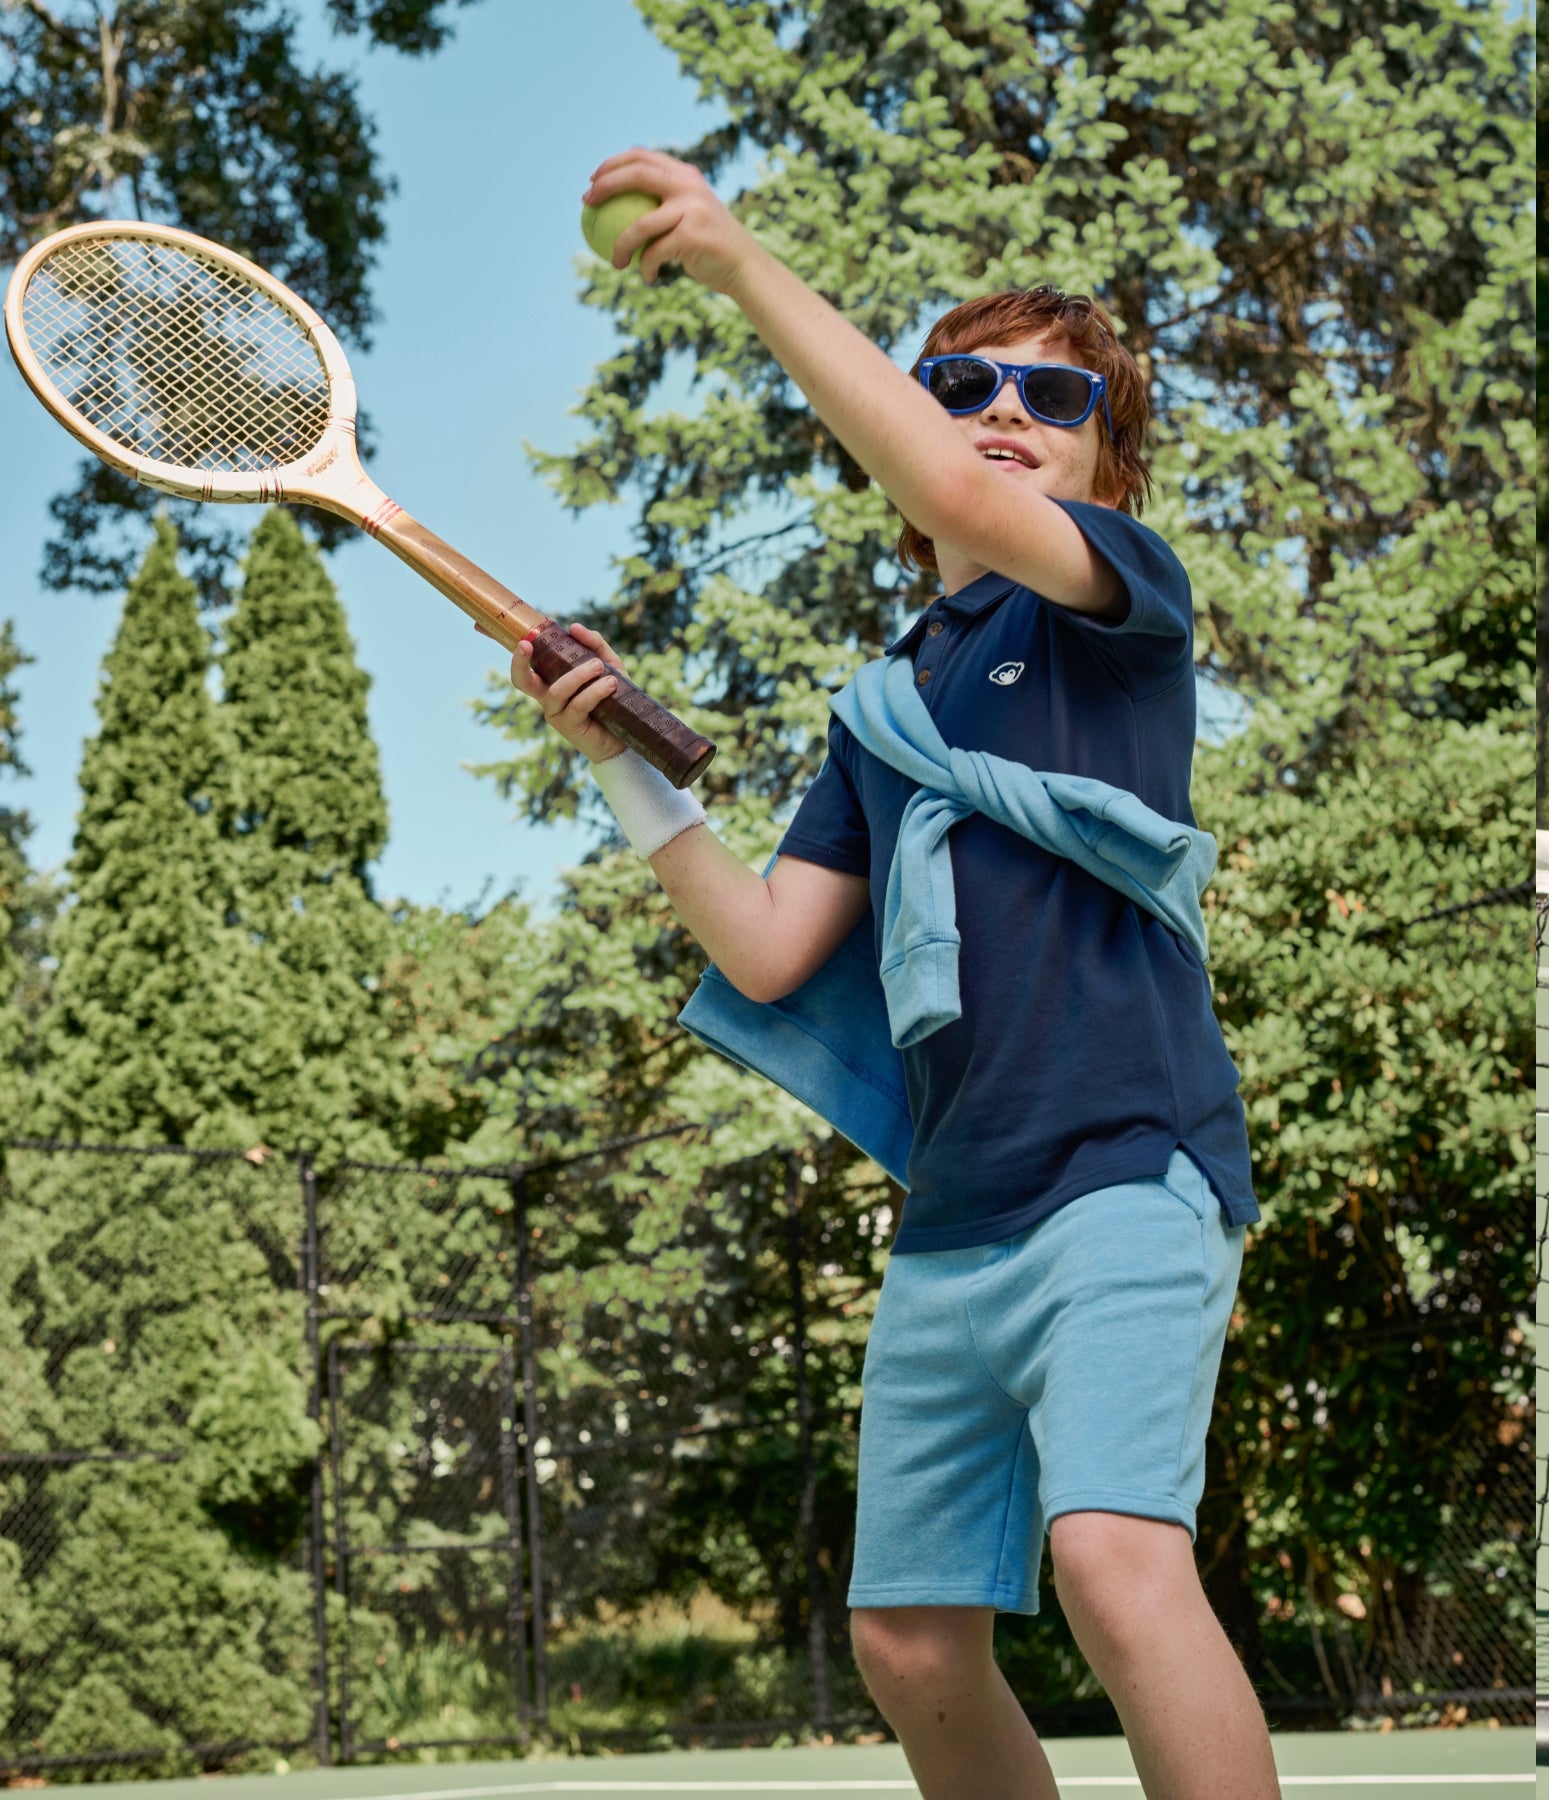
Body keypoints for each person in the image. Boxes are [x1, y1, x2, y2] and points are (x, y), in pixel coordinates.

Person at [520, 148, 1279, 1800]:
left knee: (1112, 1563)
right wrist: (621, 766)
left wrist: (736, 260)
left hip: (1128, 1175)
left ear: (1102, 458)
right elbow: (772, 943)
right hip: (955, 1216)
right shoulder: (887, 717)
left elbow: (963, 498)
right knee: (912, 1643)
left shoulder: (1117, 604)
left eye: (1050, 394)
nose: (1001, 408)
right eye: (962, 381)